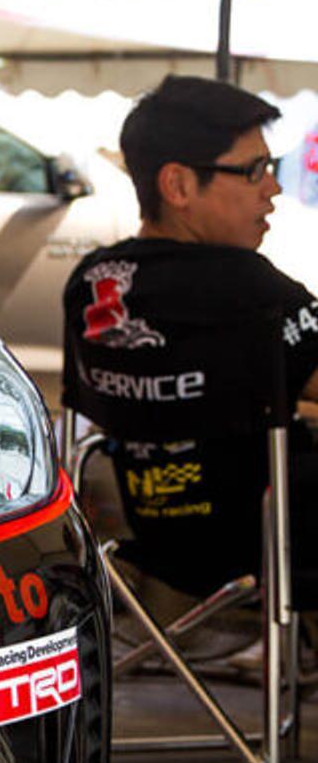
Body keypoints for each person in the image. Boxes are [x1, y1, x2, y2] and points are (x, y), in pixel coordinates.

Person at [64, 74, 318, 599]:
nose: (272, 188)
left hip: (150, 540)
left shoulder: (88, 284)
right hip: (269, 543)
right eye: (253, 170)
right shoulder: (248, 289)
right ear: (178, 185)